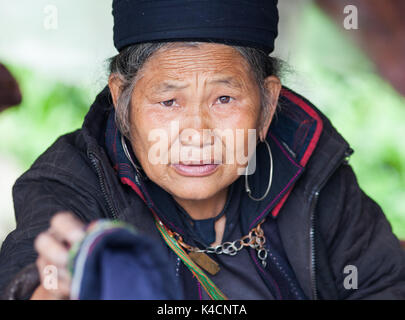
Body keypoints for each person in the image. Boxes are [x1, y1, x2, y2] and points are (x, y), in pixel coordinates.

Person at [1, 0, 404, 300]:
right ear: (121, 99)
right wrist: (55, 287)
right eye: (168, 102)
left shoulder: (312, 168)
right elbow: (27, 272)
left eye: (224, 99)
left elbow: (383, 284)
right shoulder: (71, 179)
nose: (197, 133)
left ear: (266, 107)